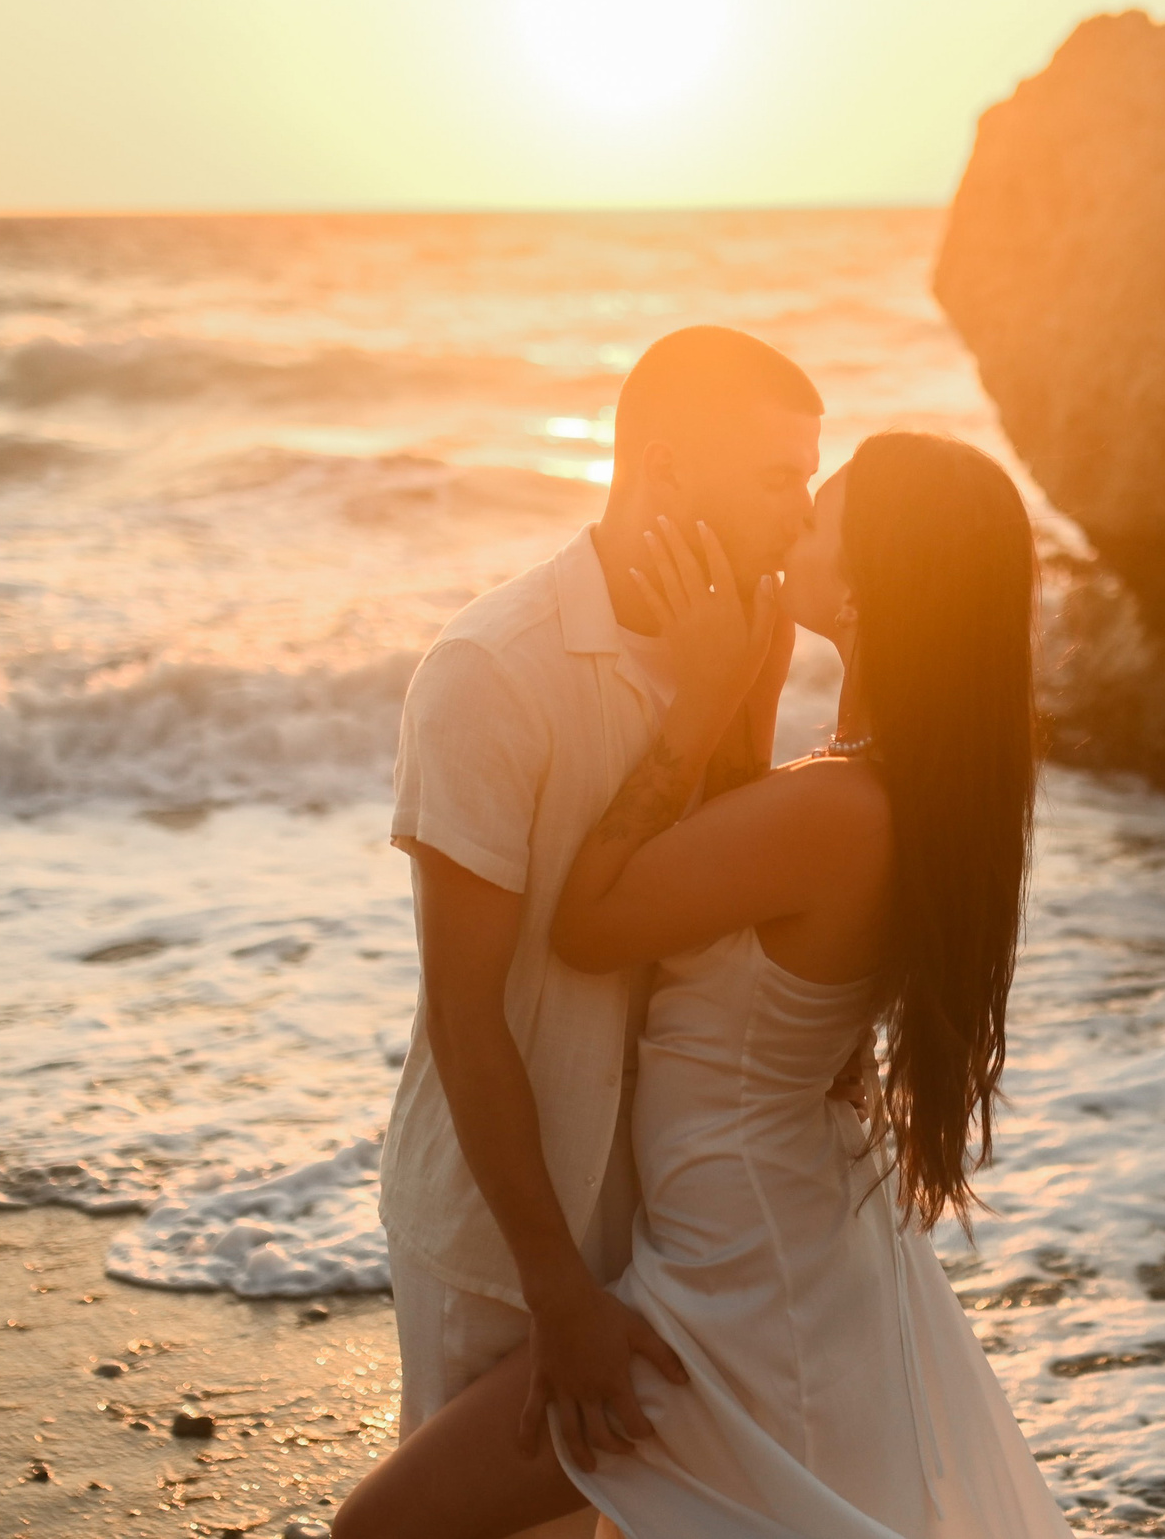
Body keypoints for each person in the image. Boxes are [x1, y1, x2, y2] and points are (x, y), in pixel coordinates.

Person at [336, 430, 1067, 1538]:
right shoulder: (893, 783)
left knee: (387, 1524)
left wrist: (701, 697)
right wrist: (757, 685)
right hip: (766, 1240)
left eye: (818, 515)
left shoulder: (838, 808)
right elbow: (744, 890)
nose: (790, 523)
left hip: (737, 1284)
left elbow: (590, 921)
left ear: (870, 587)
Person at [370, 325, 823, 1539]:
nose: (806, 512)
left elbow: (710, 929)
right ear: (666, 469)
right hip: (501, 1240)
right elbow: (465, 1015)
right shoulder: (491, 672)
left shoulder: (739, 642)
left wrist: (736, 698)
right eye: (779, 477)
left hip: (663, 1232)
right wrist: (554, 1283)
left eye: (811, 476)